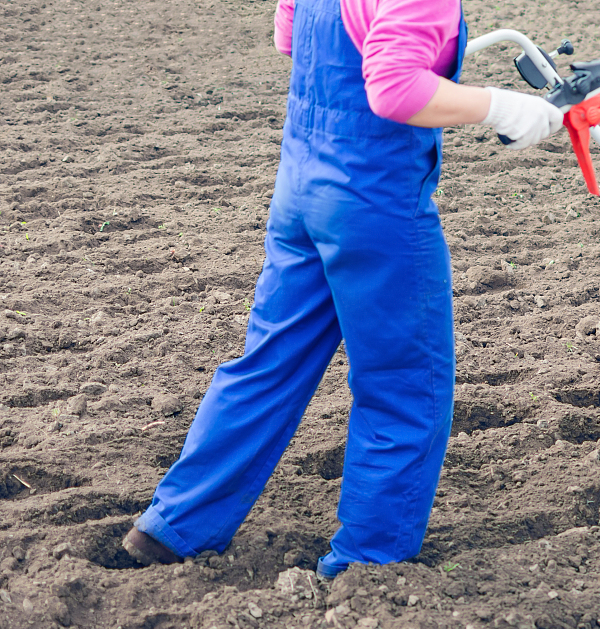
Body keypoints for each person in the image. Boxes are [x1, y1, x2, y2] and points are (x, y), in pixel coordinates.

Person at [121, 0, 562, 578]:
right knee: (405, 383)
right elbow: (396, 90)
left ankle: (173, 525)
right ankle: (369, 563)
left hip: (302, 181)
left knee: (268, 361)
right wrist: (504, 107)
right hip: (373, 202)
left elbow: (289, 35)